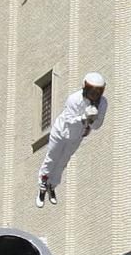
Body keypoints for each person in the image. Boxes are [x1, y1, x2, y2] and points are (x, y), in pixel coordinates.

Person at [36, 73, 107, 207]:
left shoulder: (102, 103)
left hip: (76, 137)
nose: (95, 94)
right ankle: (43, 184)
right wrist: (84, 118)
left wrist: (92, 119)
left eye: (98, 91)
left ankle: (52, 185)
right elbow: (69, 120)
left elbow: (98, 125)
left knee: (63, 161)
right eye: (92, 90)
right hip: (60, 133)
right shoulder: (74, 99)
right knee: (52, 158)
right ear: (85, 87)